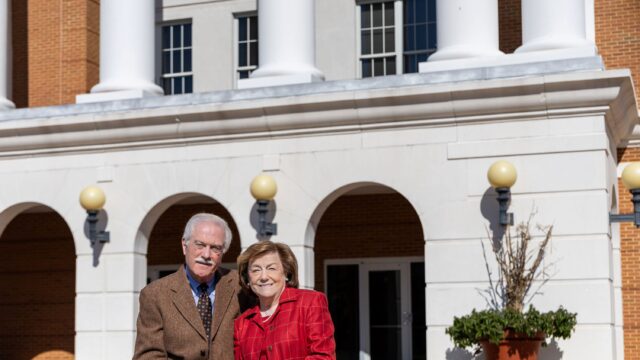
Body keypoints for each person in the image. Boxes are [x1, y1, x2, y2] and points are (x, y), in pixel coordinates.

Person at [134, 213, 252, 360]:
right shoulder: (155, 294)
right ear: (185, 245)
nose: (206, 254)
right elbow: (148, 355)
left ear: (223, 253)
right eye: (200, 245)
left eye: (215, 248)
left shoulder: (240, 286)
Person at [234, 241, 336, 359]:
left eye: (271, 268)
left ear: (286, 273)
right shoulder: (242, 324)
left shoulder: (310, 303)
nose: (263, 277)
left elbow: (323, 356)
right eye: (256, 270)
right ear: (247, 278)